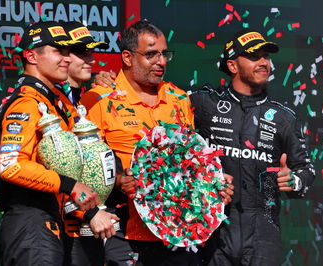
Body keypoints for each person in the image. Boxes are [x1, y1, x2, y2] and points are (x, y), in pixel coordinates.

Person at [81, 20, 234, 266]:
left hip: (178, 233)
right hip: (122, 231)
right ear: (128, 57)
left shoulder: (179, 98)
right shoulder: (98, 99)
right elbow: (82, 165)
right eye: (151, 54)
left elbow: (190, 163)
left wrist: (212, 185)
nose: (161, 62)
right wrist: (120, 181)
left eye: (164, 54)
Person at [190, 29, 316, 265]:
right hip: (212, 230)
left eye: (266, 57)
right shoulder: (204, 103)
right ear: (233, 66)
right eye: (254, 56)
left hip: (263, 233)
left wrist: (295, 180)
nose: (263, 63)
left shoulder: (283, 117)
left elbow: (307, 169)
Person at [0, 21, 100, 266]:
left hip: (45, 223)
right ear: (31, 56)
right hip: (30, 223)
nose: (67, 59)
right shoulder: (27, 102)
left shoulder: (48, 100)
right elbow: (11, 166)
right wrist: (70, 185)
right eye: (58, 51)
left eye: (68, 52)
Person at [59, 21, 119, 266]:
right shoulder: (48, 102)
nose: (92, 59)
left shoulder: (86, 97)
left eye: (91, 52)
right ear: (61, 55)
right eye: (83, 53)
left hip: (87, 222)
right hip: (61, 222)